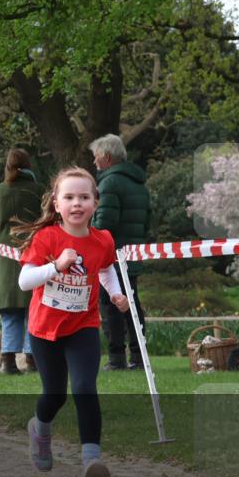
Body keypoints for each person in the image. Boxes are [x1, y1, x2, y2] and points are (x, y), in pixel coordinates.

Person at [14, 166, 129, 477]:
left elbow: (105, 269)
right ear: (56, 203)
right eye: (69, 197)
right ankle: (40, 428)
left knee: (84, 388)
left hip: (83, 326)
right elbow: (24, 281)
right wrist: (55, 266)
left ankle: (91, 462)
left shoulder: (102, 240)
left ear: (95, 203)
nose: (76, 203)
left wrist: (115, 292)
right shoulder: (47, 238)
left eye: (84, 197)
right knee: (55, 395)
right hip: (45, 330)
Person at [89, 133, 151, 371]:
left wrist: (89, 237)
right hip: (133, 253)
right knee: (132, 304)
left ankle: (117, 358)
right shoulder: (139, 184)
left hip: (111, 255)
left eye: (96, 158)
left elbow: (104, 222)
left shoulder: (109, 183)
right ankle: (138, 355)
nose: (94, 163)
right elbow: (146, 221)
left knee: (111, 304)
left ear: (106, 158)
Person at [0, 148, 45, 374]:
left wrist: (0, 243)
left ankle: (8, 362)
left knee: (10, 312)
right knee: (33, 308)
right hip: (34, 252)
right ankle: (32, 359)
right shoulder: (39, 190)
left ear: (7, 166)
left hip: (5, 257)